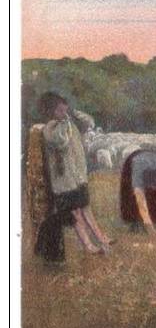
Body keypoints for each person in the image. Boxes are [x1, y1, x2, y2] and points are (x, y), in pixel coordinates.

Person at [37, 92, 112, 255]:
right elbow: (60, 142)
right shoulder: (50, 128)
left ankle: (101, 237)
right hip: (64, 181)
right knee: (75, 212)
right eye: (60, 111)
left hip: (77, 177)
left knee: (86, 207)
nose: (64, 114)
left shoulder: (69, 124)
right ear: (51, 112)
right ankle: (89, 246)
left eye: (65, 111)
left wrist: (80, 117)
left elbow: (85, 132)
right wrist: (66, 124)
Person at [119, 148, 156, 234]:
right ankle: (136, 223)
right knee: (131, 196)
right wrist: (149, 228)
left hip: (155, 161)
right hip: (135, 160)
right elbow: (140, 199)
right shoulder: (137, 170)